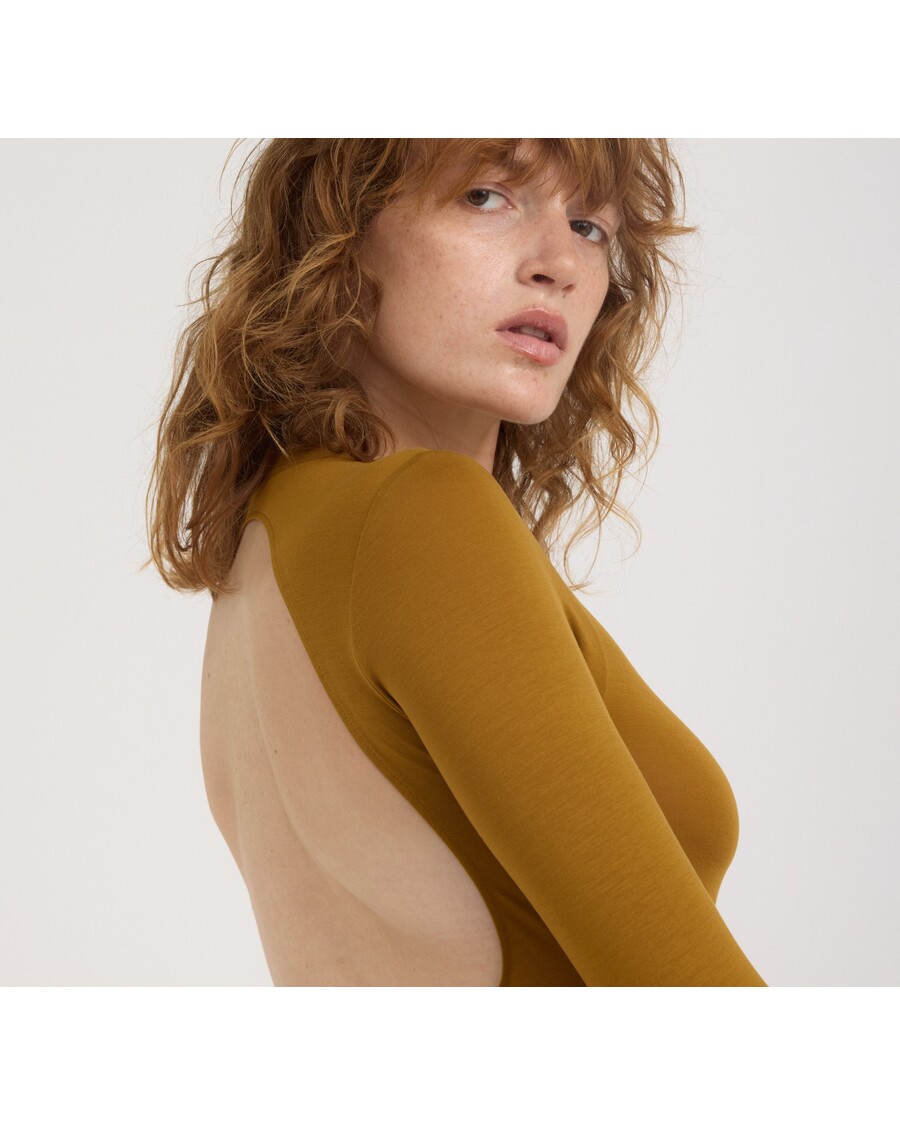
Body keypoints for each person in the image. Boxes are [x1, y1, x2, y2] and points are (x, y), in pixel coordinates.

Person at [143, 138, 768, 986]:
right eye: (487, 196)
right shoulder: (424, 515)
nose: (559, 264)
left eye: (590, 226)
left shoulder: (272, 544)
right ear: (340, 228)